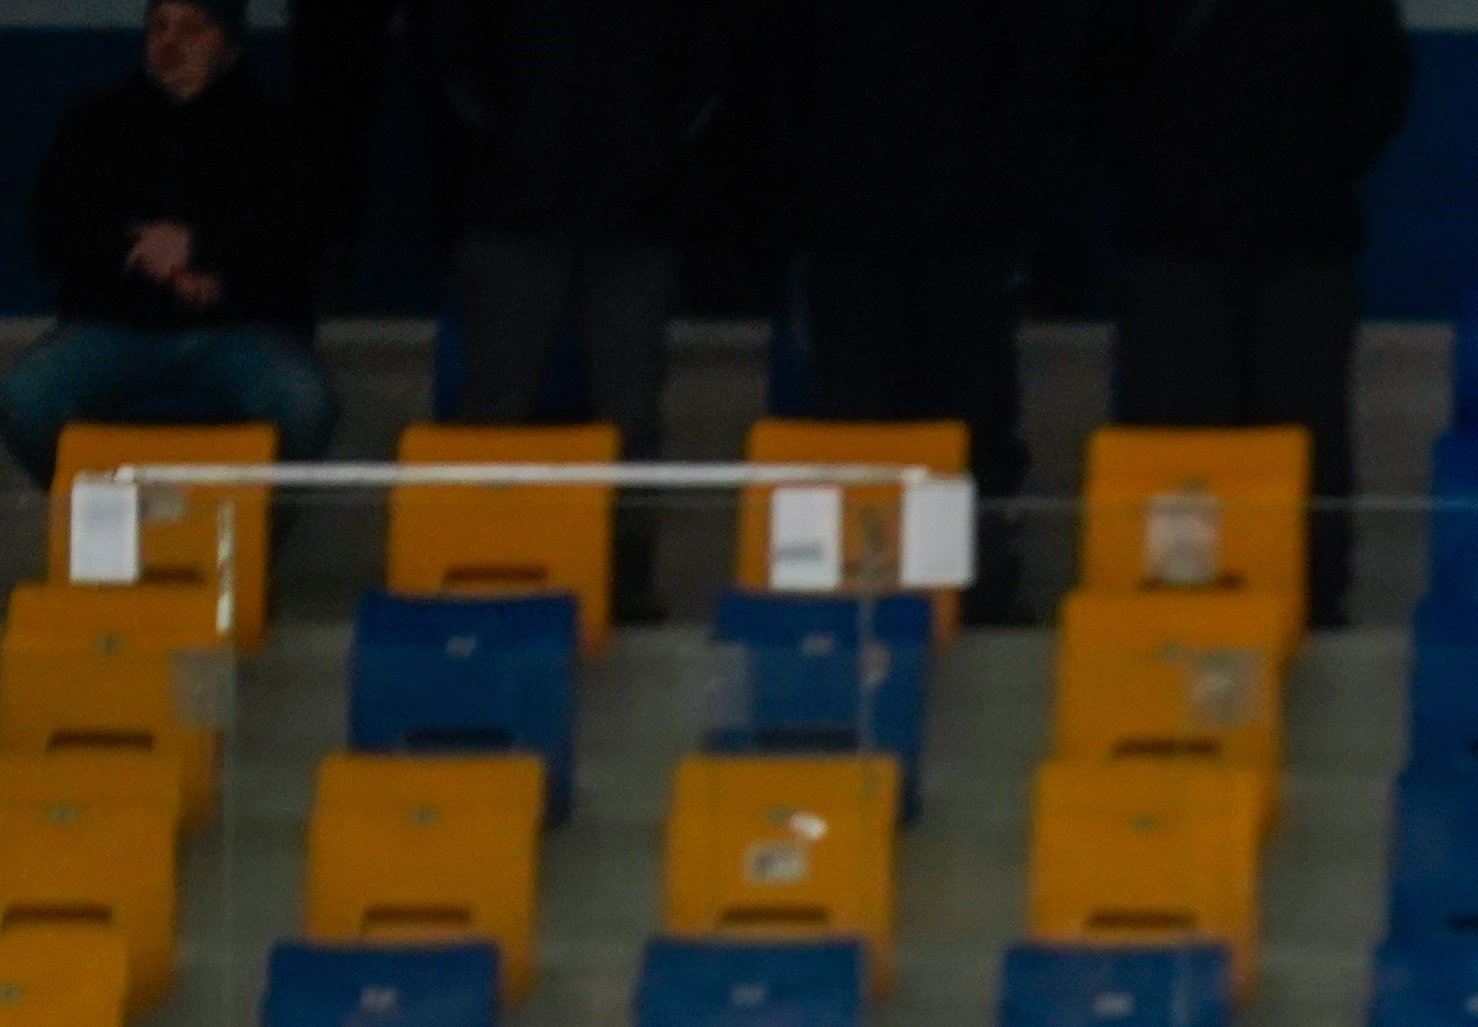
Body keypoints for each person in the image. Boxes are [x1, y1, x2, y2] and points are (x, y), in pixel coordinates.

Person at [1081, 0, 1412, 629]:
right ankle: (1169, 599)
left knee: (1298, 430)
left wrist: (1314, 169)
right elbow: (1097, 74)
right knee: (1178, 435)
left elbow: (1381, 79)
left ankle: (1308, 597)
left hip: (1292, 239)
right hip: (1181, 238)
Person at [737, 0, 1049, 619]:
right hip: (848, 223)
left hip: (967, 221)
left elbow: (1032, 68)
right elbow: (776, 67)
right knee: (857, 419)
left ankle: (973, 582)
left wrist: (1006, 181)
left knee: (972, 416)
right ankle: (859, 581)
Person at [424, 0, 720, 618]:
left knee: (631, 410)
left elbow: (708, 55)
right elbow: (449, 46)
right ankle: (480, 568)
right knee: (496, 405)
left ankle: (626, 583)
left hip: (636, 211)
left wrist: (661, 154)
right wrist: (495, 146)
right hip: (511, 207)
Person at [6, 0, 335, 487]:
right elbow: (56, 227)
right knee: (25, 398)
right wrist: (146, 258)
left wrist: (200, 249)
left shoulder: (277, 127)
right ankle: (97, 515)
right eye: (158, 27)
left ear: (228, 45)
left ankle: (251, 525)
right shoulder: (99, 121)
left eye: (190, 28)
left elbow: (297, 231)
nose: (169, 42)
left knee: (305, 404)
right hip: (116, 326)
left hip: (239, 330)